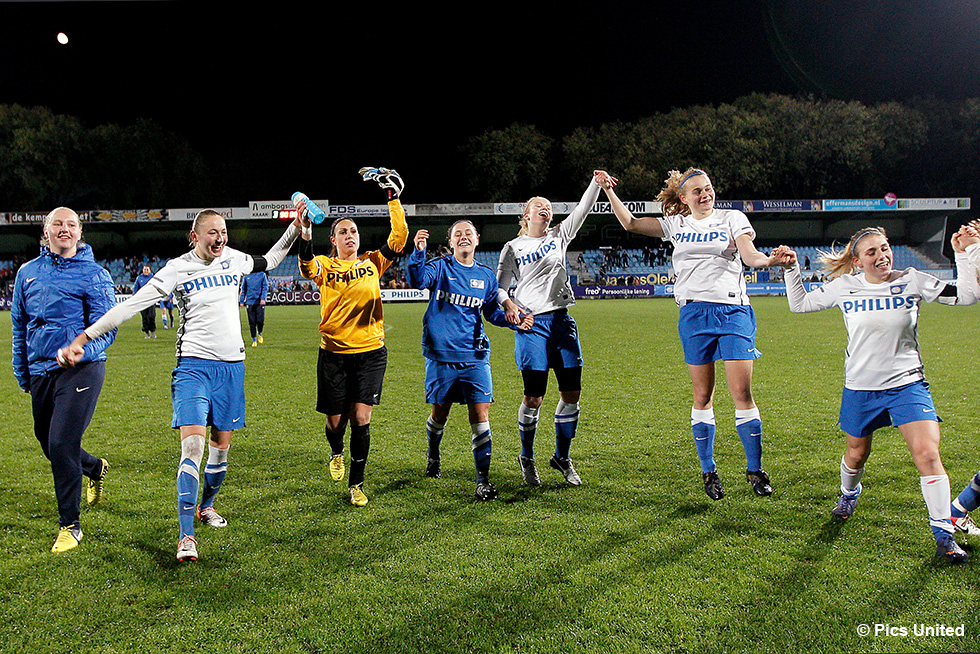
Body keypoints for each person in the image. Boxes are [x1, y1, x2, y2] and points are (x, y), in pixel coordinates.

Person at [60, 209, 301, 563]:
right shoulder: (176, 269)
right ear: (195, 236)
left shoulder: (235, 260)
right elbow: (129, 306)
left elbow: (273, 257)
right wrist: (84, 335)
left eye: (223, 232)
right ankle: (186, 536)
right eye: (212, 233)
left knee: (220, 451)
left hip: (232, 370)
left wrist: (296, 227)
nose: (220, 239)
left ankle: (206, 507)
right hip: (193, 369)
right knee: (192, 449)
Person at [775, 225, 980, 563]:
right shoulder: (844, 287)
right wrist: (791, 268)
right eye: (872, 252)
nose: (882, 256)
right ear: (857, 262)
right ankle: (848, 493)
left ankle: (944, 536)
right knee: (856, 454)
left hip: (908, 385)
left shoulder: (911, 279)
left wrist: (961, 253)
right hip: (861, 388)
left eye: (885, 248)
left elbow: (967, 295)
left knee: (928, 454)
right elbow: (800, 304)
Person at [597, 168, 780, 500]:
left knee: (741, 392)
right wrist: (608, 189)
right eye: (697, 191)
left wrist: (768, 261)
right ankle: (709, 472)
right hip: (694, 314)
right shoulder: (676, 225)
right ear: (683, 198)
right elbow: (631, 224)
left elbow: (750, 254)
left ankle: (755, 470)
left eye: (708, 188)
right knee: (702, 396)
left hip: (732, 311)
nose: (705, 194)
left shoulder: (731, 218)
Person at [297, 167, 409, 508]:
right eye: (343, 232)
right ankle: (336, 451)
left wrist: (393, 198)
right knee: (336, 422)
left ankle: (356, 484)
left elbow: (399, 236)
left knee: (361, 418)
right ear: (333, 240)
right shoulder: (324, 266)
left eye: (354, 231)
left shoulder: (373, 263)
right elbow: (304, 264)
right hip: (333, 355)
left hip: (371, 352)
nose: (350, 235)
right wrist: (305, 230)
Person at [11, 207, 116, 553]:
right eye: (58, 223)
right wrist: (22, 370)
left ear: (80, 232)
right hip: (41, 370)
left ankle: (70, 526)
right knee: (49, 444)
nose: (65, 229)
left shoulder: (95, 274)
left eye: (71, 224)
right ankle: (94, 467)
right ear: (46, 230)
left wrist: (81, 351)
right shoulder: (27, 273)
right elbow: (19, 326)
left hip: (81, 369)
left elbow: (106, 328)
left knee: (60, 443)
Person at [495, 169, 609, 487]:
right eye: (539, 205)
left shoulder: (558, 236)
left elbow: (582, 210)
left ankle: (561, 457)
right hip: (532, 325)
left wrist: (594, 184)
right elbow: (501, 288)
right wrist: (511, 307)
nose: (546, 209)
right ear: (526, 214)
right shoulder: (513, 247)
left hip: (562, 323)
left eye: (549, 206)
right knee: (534, 397)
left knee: (571, 393)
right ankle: (527, 458)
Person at [407, 220, 533, 501]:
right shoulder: (439, 267)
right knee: (440, 415)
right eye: (457, 234)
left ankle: (483, 481)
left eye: (468, 233)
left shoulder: (486, 277)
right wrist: (418, 252)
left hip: (475, 356)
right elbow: (417, 281)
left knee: (480, 416)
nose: (463, 237)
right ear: (450, 242)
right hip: (441, 357)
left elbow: (492, 313)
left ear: (477, 239)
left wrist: (514, 320)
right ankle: (434, 454)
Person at [239, 270, 269, 347]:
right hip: (250, 301)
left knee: (260, 321)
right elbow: (243, 289)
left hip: (259, 302)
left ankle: (259, 332)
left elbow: (265, 287)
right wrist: (242, 300)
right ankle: (254, 339)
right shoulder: (246, 275)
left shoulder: (262, 275)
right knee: (251, 322)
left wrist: (263, 298)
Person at [132, 265, 157, 339]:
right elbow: (135, 288)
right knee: (145, 317)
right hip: (142, 300)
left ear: (150, 270)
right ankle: (146, 333)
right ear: (142, 270)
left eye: (147, 269)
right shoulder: (139, 278)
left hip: (151, 299)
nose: (146, 271)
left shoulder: (153, 278)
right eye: (144, 269)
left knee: (151, 316)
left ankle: (153, 331)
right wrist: (135, 297)